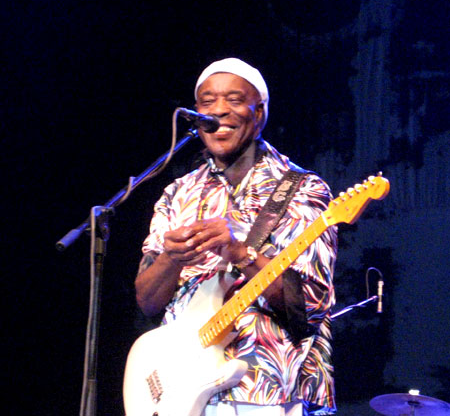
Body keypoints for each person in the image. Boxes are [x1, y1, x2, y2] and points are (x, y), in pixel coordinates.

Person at [135, 58, 338, 415]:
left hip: (271, 393)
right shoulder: (177, 192)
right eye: (208, 102)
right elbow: (148, 301)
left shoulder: (302, 188)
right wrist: (172, 259)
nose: (219, 111)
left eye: (233, 99)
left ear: (259, 113)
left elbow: (308, 307)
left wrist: (241, 253)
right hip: (181, 392)